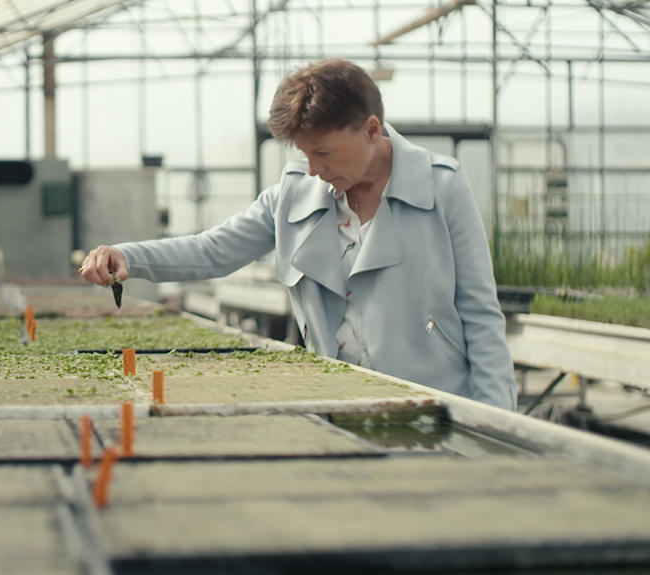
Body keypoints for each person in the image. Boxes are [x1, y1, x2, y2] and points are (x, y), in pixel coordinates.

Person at [79, 59, 516, 410]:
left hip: (433, 409)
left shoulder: (442, 187)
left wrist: (499, 421)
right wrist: (127, 257)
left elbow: (479, 313)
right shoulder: (295, 197)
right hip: (337, 408)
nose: (313, 168)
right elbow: (214, 250)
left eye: (323, 152)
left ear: (371, 129)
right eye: (306, 154)